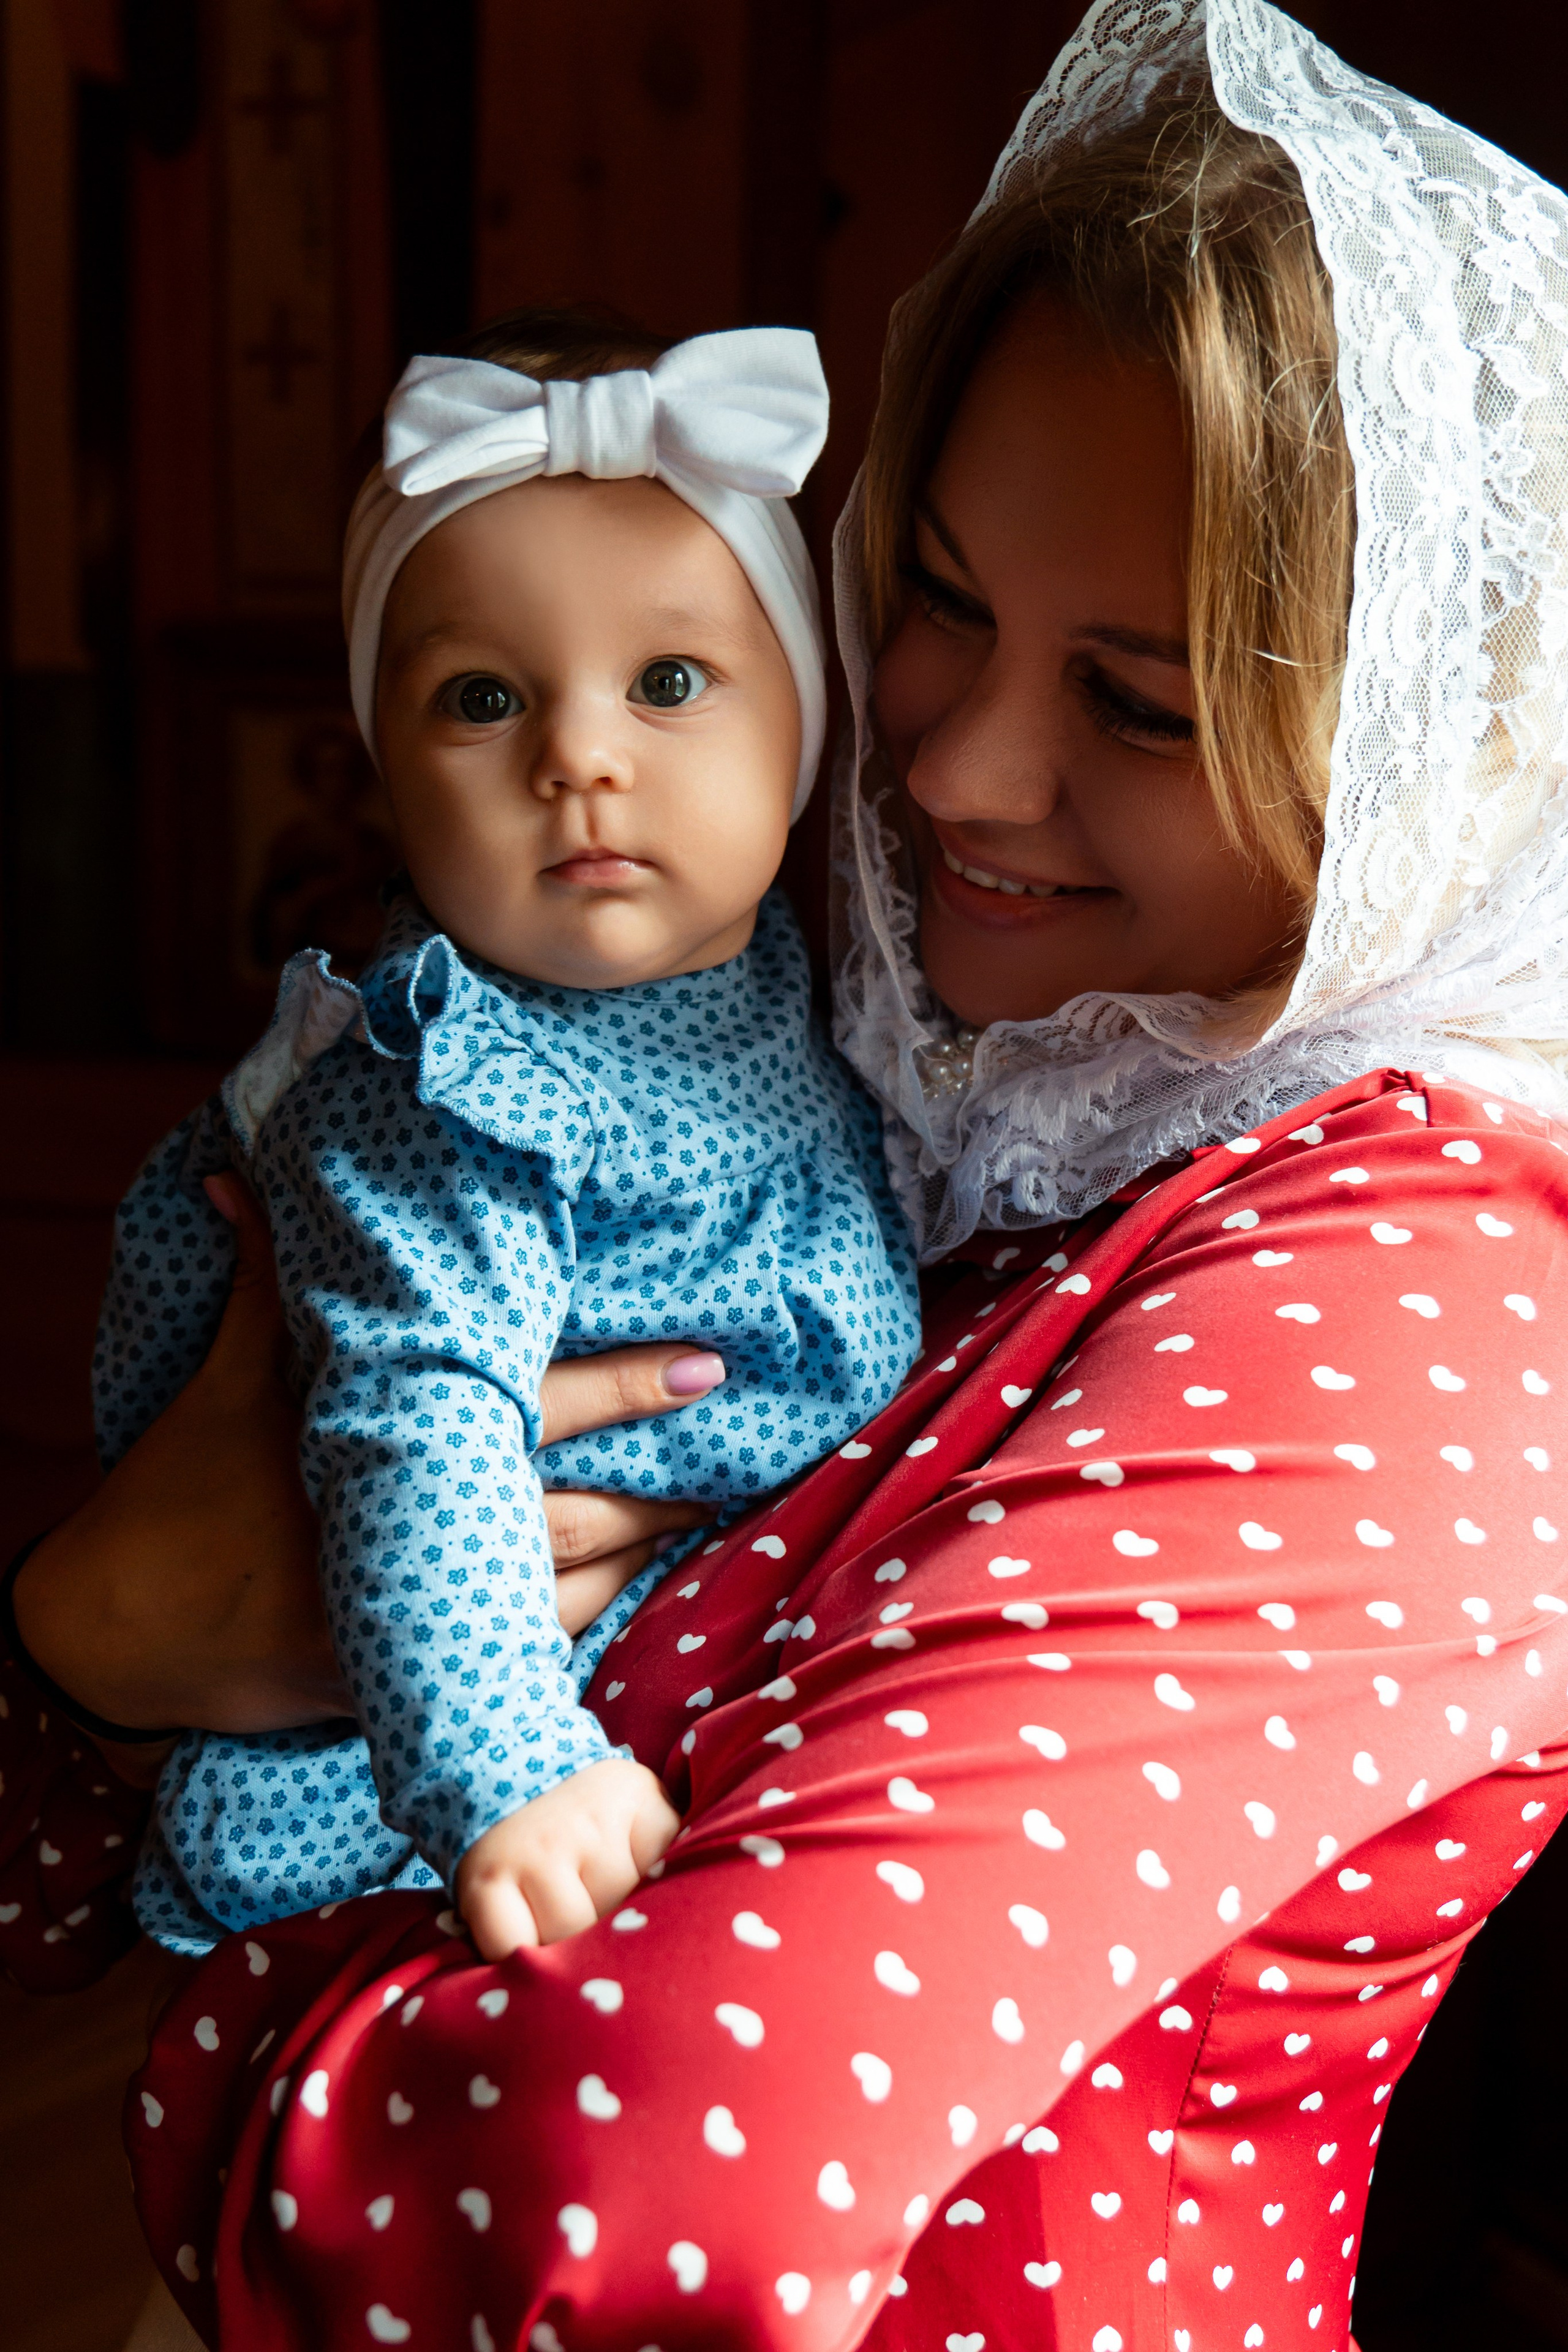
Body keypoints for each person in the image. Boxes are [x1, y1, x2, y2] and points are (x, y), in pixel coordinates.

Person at [5, 2, 1568, 2346]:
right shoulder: (922, 1054)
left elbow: (634, 2190)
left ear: (1451, 732)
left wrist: (107, 2086)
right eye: (933, 596)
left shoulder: (1417, 1304)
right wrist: (100, 1641)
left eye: (1140, 703)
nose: (952, 766)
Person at [97, 312, 918, 1958]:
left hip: (684, 1701)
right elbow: (420, 1429)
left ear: (804, 727)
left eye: (670, 682)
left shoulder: (802, 1009)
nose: (579, 757)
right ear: (387, 780)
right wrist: (512, 1776)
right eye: (484, 698)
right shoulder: (436, 1095)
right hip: (421, 1806)